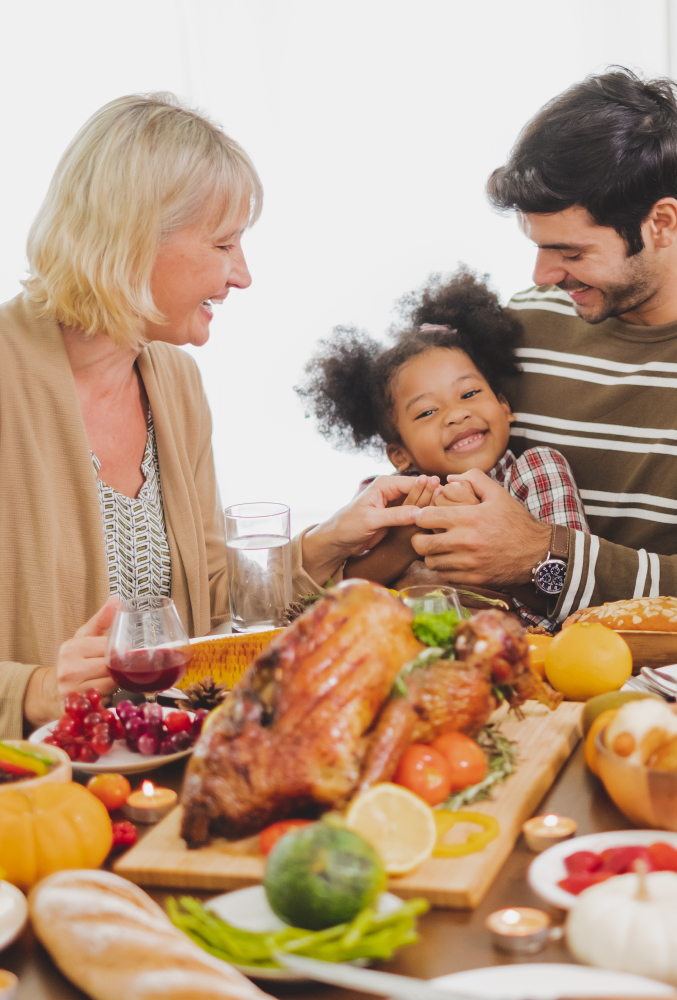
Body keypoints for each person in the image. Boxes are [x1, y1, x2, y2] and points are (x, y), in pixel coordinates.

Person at [0, 93, 421, 740]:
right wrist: (29, 689)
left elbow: (215, 603)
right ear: (132, 239)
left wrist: (335, 539)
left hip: (162, 764)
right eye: (224, 244)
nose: (243, 275)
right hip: (37, 804)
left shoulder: (175, 382)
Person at [408, 69, 677, 632]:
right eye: (538, 247)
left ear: (661, 222)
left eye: (568, 251)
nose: (542, 276)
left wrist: (548, 557)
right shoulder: (524, 322)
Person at [298, 269, 588, 630]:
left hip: (527, 650)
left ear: (504, 407)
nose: (456, 414)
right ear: (400, 456)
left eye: (468, 394)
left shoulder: (535, 471)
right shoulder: (384, 499)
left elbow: (573, 580)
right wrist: (406, 542)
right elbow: (341, 598)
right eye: (427, 412)